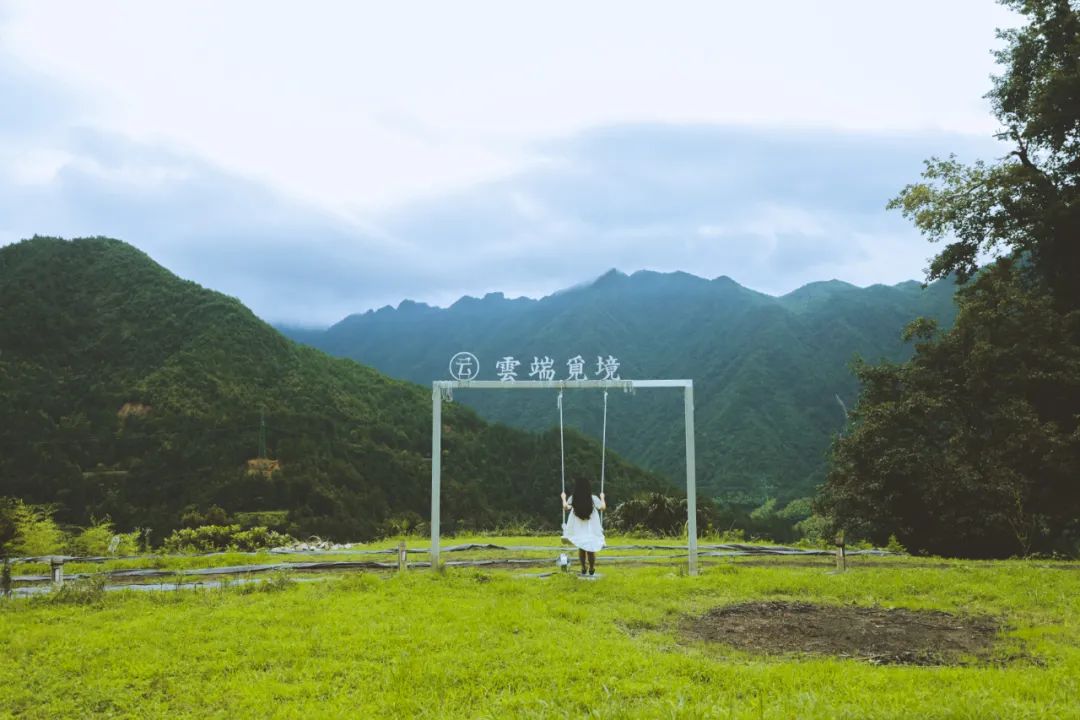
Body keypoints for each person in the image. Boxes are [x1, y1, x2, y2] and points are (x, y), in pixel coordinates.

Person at [561, 476, 606, 575]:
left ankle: (583, 567)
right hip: (590, 529)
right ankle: (591, 568)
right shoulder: (593, 499)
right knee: (590, 550)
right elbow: (602, 508)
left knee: (581, 549)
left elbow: (565, 507)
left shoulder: (573, 498)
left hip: (579, 529)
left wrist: (563, 498)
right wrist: (602, 497)